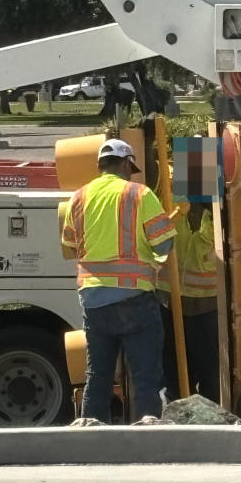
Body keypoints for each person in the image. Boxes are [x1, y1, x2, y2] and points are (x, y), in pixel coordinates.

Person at [60, 138, 176, 422]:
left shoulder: (78, 197)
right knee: (145, 376)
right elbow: (163, 245)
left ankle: (90, 435)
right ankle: (147, 437)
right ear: (126, 163)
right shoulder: (139, 194)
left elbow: (69, 244)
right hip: (134, 298)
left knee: (97, 375)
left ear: (101, 166)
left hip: (93, 301)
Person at [159, 202, 221, 404]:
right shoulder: (170, 203)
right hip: (170, 304)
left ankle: (208, 421)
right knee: (174, 374)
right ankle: (179, 419)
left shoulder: (220, 213)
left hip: (207, 307)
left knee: (209, 375)